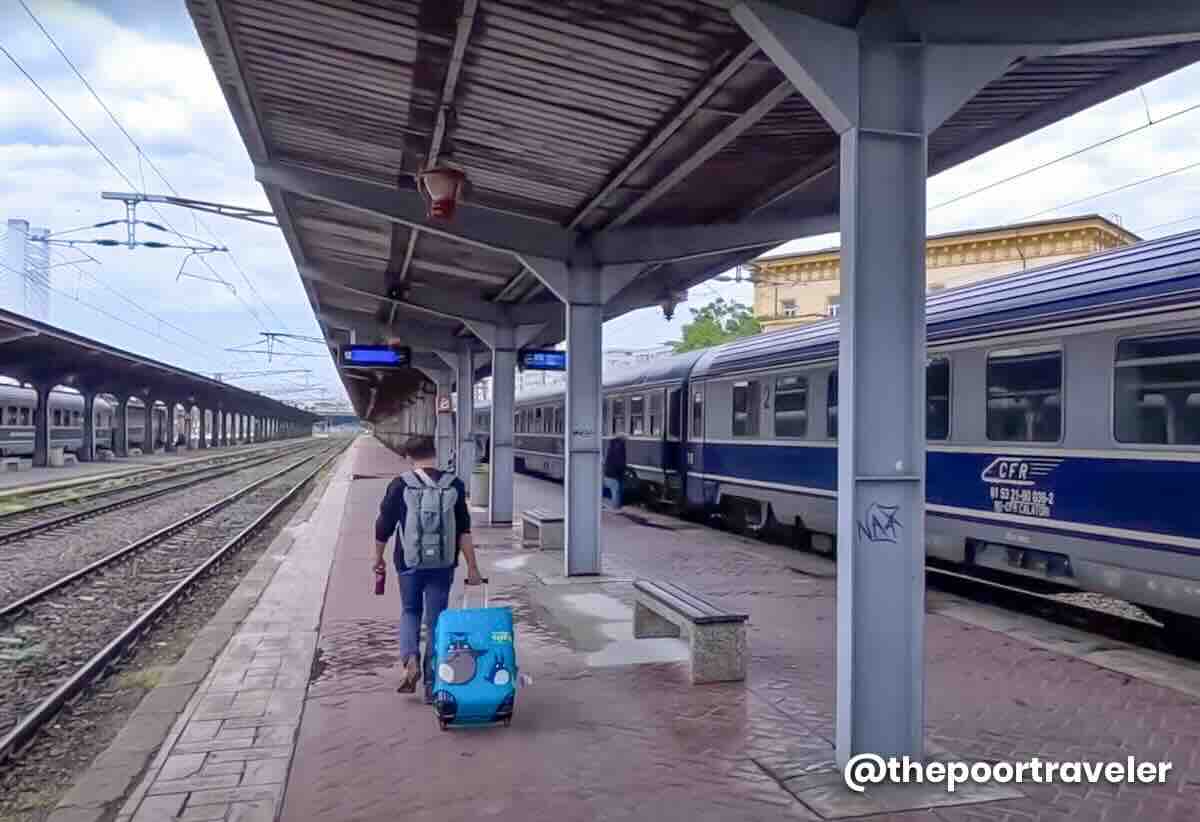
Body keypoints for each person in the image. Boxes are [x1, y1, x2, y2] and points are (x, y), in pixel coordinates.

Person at [374, 435, 484, 704]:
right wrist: (472, 567)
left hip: (408, 563)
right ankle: (432, 684)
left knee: (410, 611)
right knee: (436, 621)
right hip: (443, 565)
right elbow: (464, 531)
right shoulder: (454, 484)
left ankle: (410, 658)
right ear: (435, 453)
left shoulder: (400, 485)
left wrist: (377, 558)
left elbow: (383, 527)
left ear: (408, 457)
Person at [602, 434, 626, 510]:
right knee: (616, 491)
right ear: (622, 439)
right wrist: (622, 471)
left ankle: (612, 506)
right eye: (625, 439)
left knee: (613, 490)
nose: (625, 441)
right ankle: (615, 508)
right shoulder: (619, 446)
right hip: (614, 474)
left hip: (608, 472)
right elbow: (620, 461)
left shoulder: (611, 445)